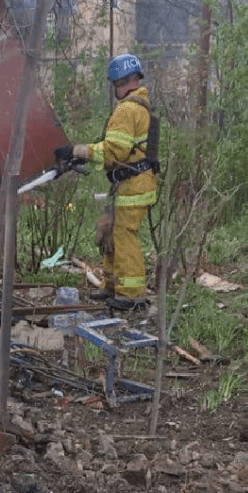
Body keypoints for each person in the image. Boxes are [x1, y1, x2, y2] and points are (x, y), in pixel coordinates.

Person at [54, 54, 157, 310]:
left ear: (119, 82)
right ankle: (112, 284)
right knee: (108, 231)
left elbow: (114, 151)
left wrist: (77, 151)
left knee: (123, 234)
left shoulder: (127, 110)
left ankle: (132, 294)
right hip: (130, 183)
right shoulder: (140, 106)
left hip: (133, 185)